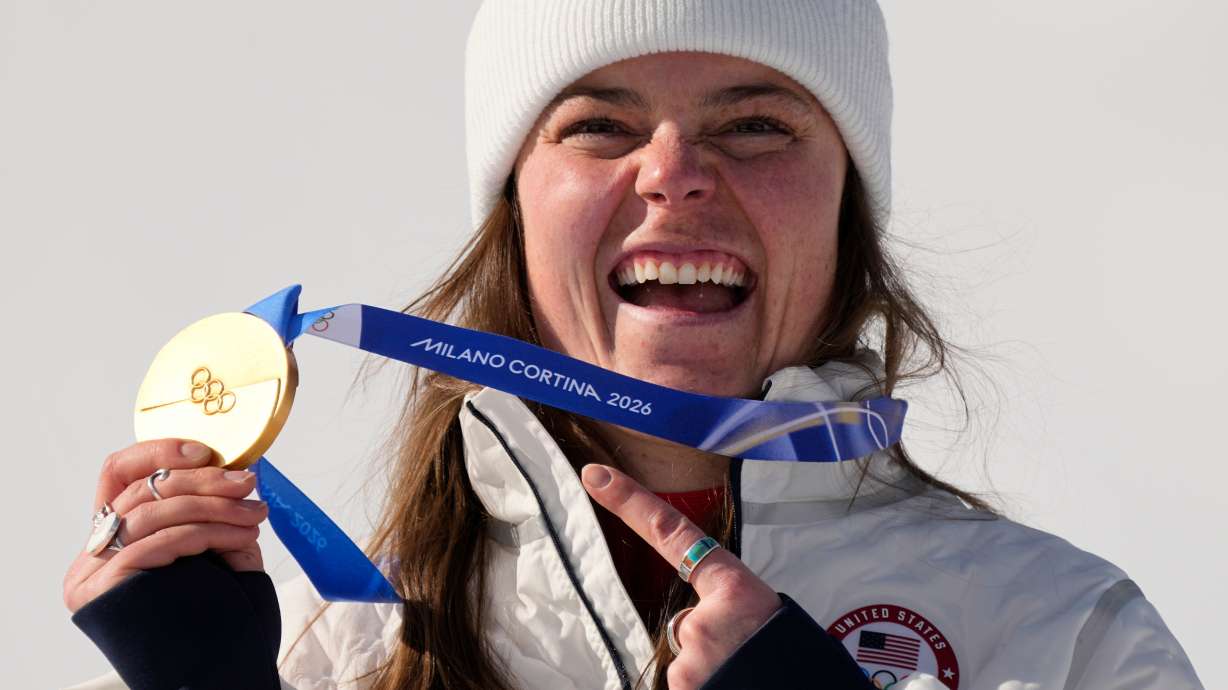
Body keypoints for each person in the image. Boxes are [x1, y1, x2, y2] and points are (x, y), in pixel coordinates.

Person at [64, 2, 1204, 689]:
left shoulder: (1058, 631)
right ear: (515, 211)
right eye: (599, 125)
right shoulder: (331, 648)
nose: (674, 174)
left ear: (847, 205)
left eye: (754, 123)